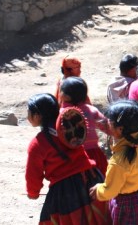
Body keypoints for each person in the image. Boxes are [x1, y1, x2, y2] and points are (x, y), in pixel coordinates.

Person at [25, 93, 108, 224]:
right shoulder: (71, 126)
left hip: (64, 191)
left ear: (37, 116)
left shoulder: (37, 144)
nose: (27, 116)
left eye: (28, 112)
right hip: (91, 178)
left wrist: (33, 193)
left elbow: (33, 174)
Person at [60, 76, 110, 175]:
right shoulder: (91, 110)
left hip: (74, 155)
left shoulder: (62, 113)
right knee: (99, 179)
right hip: (95, 153)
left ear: (66, 97)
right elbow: (106, 125)